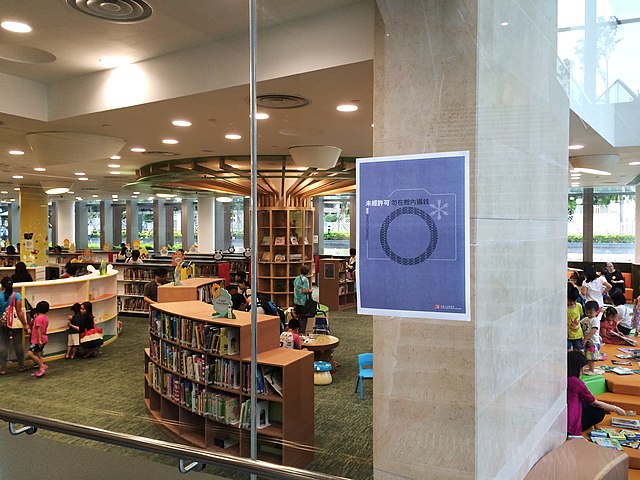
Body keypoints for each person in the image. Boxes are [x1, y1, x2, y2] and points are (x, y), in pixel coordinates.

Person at [567, 350, 626, 436]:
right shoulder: (577, 383)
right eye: (582, 368)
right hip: (570, 426)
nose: (583, 371)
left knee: (586, 403)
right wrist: (615, 409)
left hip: (562, 418)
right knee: (599, 412)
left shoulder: (563, 378)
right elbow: (594, 402)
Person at [0, 277, 30, 374]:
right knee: (18, 344)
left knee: (3, 345)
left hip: (2, 323)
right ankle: (21, 366)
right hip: (15, 323)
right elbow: (19, 312)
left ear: (2, 286)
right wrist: (25, 324)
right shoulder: (17, 296)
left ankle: (3, 368)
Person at [28, 301, 49, 377]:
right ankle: (42, 365)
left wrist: (39, 340)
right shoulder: (45, 317)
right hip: (43, 338)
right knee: (37, 354)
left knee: (30, 354)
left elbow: (39, 329)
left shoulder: (38, 318)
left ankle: (41, 366)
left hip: (37, 340)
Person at [582, 300, 602, 375]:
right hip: (588, 341)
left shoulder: (595, 320)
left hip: (593, 342)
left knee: (591, 357)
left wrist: (586, 338)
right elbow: (580, 323)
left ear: (596, 312)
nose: (589, 314)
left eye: (591, 313)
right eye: (587, 312)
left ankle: (592, 369)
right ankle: (588, 367)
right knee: (587, 354)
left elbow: (594, 330)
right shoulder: (586, 319)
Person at [293, 265, 313, 333]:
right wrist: (310, 291)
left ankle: (298, 333)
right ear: (307, 272)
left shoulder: (297, 278)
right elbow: (304, 291)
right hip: (303, 302)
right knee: (303, 320)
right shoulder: (305, 280)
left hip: (296, 301)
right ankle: (302, 335)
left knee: (299, 318)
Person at [567, 284, 583, 352]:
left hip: (577, 334)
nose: (572, 303)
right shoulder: (564, 307)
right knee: (568, 350)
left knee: (578, 350)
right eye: (570, 301)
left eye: (574, 301)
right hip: (567, 334)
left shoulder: (579, 306)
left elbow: (581, 317)